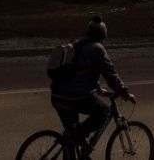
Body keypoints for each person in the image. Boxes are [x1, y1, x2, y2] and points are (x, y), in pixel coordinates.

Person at [50, 15, 135, 156]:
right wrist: (124, 92)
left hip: (57, 95)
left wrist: (98, 89)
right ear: (103, 35)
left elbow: (82, 72)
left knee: (70, 136)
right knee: (105, 112)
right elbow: (111, 75)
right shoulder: (97, 49)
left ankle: (74, 140)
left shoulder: (76, 44)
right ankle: (82, 141)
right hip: (75, 97)